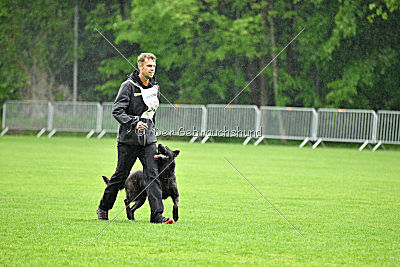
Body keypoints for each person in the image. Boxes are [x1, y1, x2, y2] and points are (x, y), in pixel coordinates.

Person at [96, 53, 173, 224]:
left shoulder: (155, 87)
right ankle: (103, 208)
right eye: (149, 66)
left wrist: (152, 131)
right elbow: (117, 111)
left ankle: (157, 216)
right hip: (128, 141)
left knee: (152, 175)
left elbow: (152, 114)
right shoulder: (128, 86)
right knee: (120, 176)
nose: (152, 69)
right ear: (140, 67)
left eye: (154, 66)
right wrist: (134, 122)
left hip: (148, 140)